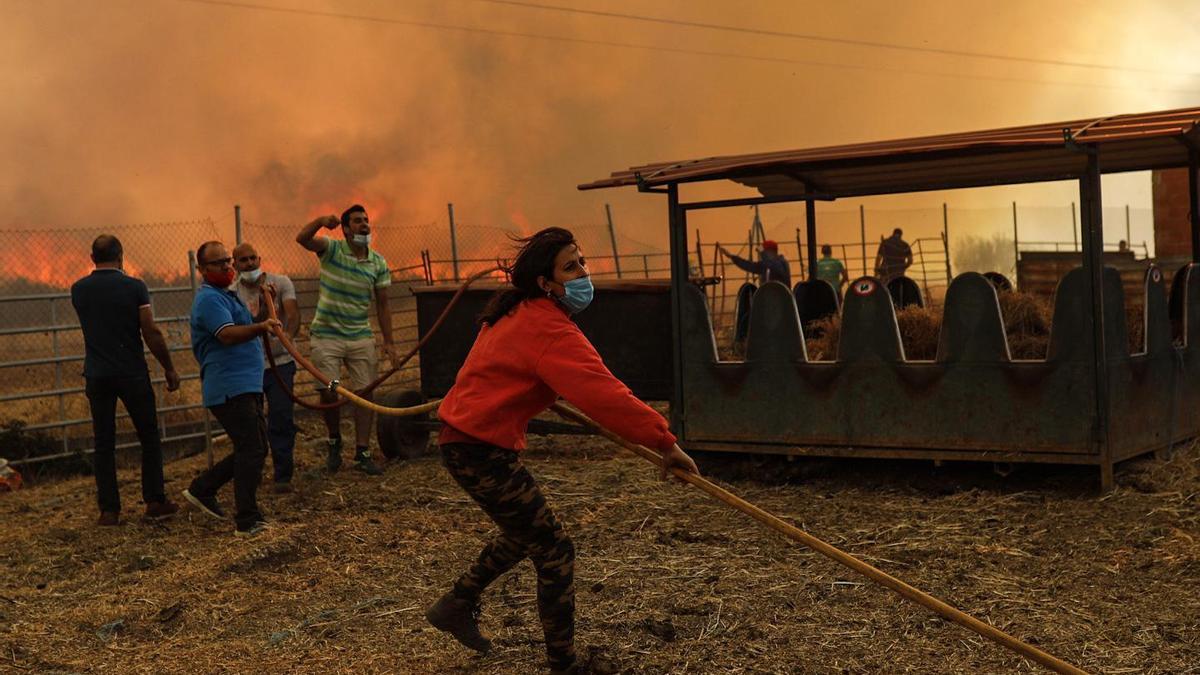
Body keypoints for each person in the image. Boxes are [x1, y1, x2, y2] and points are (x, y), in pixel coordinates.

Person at [425, 227, 700, 674]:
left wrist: (541, 389)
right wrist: (663, 441)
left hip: (468, 442)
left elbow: (508, 371)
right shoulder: (548, 329)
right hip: (479, 449)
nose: (583, 274)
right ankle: (563, 663)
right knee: (554, 549)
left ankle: (455, 604)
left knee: (526, 533)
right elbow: (605, 394)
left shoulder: (513, 312)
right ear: (544, 282)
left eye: (582, 263)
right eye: (570, 267)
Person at [70, 235, 181, 526]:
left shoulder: (79, 290)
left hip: (97, 374)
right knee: (149, 437)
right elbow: (150, 331)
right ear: (121, 256)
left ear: (92, 258)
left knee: (104, 443)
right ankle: (155, 501)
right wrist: (169, 367)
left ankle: (109, 510)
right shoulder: (135, 287)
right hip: (132, 372)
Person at [182, 241, 280, 537]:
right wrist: (262, 327)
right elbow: (226, 335)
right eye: (218, 263)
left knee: (254, 447)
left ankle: (203, 488)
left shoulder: (229, 296)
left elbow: (249, 325)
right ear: (202, 270)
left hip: (245, 383)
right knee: (252, 448)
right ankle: (247, 519)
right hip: (229, 385)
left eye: (227, 261)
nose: (227, 266)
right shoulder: (209, 300)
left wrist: (264, 309)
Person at [296, 205, 397, 476]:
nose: (364, 225)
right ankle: (334, 440)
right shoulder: (332, 249)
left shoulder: (378, 263)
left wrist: (389, 341)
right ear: (345, 228)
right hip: (326, 336)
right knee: (329, 390)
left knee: (365, 394)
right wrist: (319, 219)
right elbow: (302, 239)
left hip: (360, 336)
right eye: (357, 221)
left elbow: (384, 305)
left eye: (366, 220)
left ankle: (362, 451)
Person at [233, 242, 300, 493]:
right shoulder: (232, 292)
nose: (250, 264)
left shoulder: (280, 283)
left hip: (281, 362)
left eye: (253, 258)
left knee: (281, 416)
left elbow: (292, 314)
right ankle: (254, 472)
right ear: (235, 264)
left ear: (260, 259)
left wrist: (288, 338)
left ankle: (283, 475)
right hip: (249, 366)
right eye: (243, 260)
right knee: (252, 422)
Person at [717, 239, 791, 287]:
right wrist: (732, 257)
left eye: (764, 252)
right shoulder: (780, 263)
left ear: (770, 252)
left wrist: (763, 253)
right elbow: (749, 265)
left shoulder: (775, 264)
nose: (761, 255)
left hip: (777, 300)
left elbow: (750, 266)